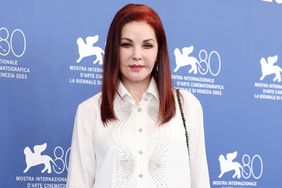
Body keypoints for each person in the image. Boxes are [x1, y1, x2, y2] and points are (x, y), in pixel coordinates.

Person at [67, 3, 210, 188]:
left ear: (159, 51)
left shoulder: (187, 105)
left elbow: (200, 179)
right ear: (113, 50)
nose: (137, 55)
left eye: (147, 45)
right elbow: (78, 183)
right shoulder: (89, 110)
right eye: (126, 45)